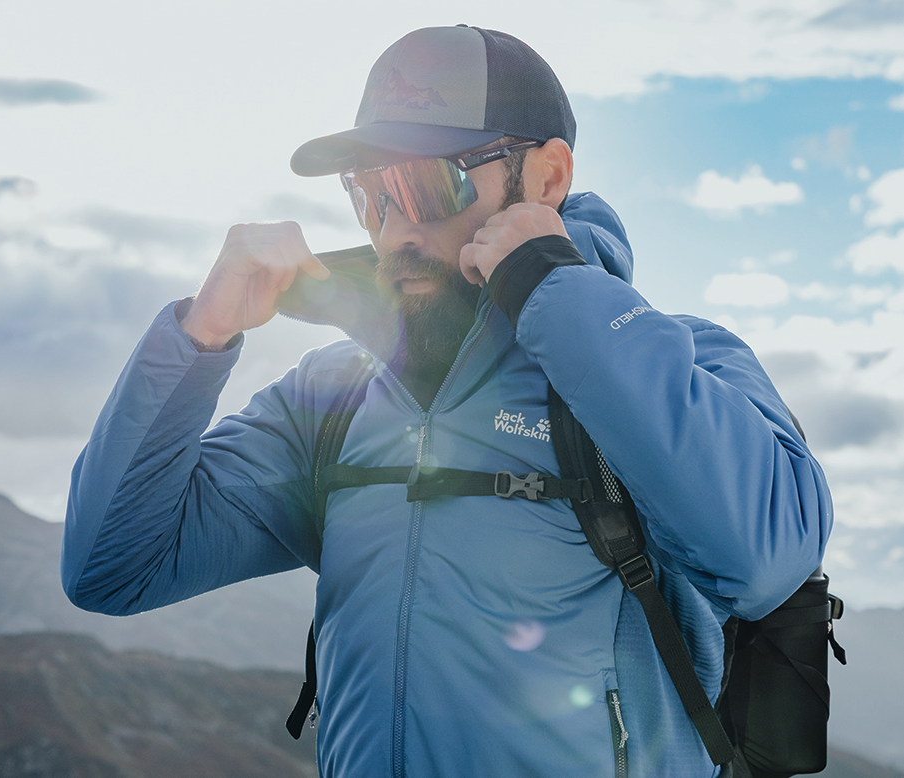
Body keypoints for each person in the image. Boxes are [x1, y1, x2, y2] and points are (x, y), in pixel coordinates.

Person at [61, 25, 832, 778]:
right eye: (369, 195)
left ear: (546, 180)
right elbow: (114, 568)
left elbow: (764, 559)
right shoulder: (330, 402)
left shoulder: (676, 360)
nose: (395, 230)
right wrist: (198, 337)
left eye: (425, 186)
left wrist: (553, 288)